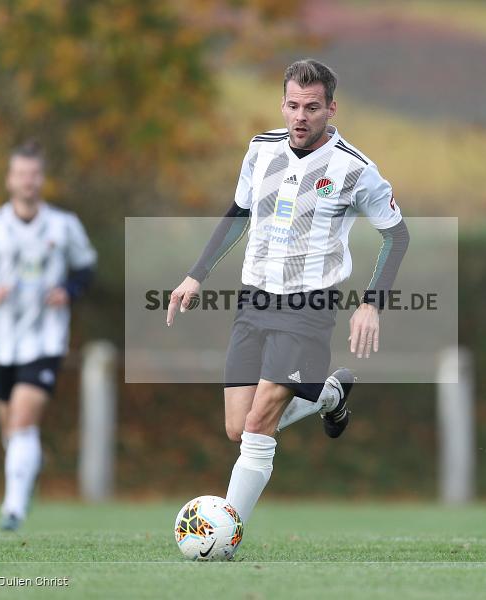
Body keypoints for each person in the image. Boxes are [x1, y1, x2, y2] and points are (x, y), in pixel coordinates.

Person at [167, 59, 409, 526]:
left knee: (258, 429)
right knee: (238, 427)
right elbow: (237, 213)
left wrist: (370, 304)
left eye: (312, 107)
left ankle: (222, 530)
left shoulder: (355, 169)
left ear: (332, 109)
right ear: (282, 104)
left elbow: (397, 235)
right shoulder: (260, 150)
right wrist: (196, 275)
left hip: (308, 308)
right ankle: (328, 395)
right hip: (254, 300)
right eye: (293, 105)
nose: (300, 116)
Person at [0, 141, 97, 531]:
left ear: (42, 179)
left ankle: (13, 510)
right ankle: (28, 466)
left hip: (45, 340)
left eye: (34, 174)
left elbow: (86, 270)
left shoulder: (63, 225)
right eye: (20, 174)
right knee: (12, 431)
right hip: (0, 342)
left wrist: (67, 291)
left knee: (21, 421)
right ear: (9, 179)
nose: (27, 182)